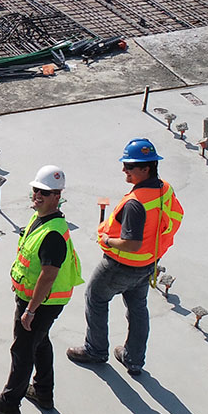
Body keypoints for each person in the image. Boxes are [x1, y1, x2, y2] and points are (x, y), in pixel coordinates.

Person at [67, 138, 183, 376]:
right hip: (148, 263)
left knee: (96, 298)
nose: (124, 170)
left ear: (145, 168)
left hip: (121, 265)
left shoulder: (135, 204)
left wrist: (107, 240)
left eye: (129, 166)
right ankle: (134, 359)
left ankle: (95, 350)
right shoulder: (164, 189)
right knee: (138, 308)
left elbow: (131, 243)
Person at [0, 166, 82, 414]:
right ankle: (43, 391)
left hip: (41, 303)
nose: (37, 195)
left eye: (44, 193)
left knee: (22, 350)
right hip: (39, 301)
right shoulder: (42, 218)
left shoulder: (53, 234)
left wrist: (30, 310)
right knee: (40, 342)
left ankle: (9, 403)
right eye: (36, 190)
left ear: (57, 196)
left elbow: (48, 275)